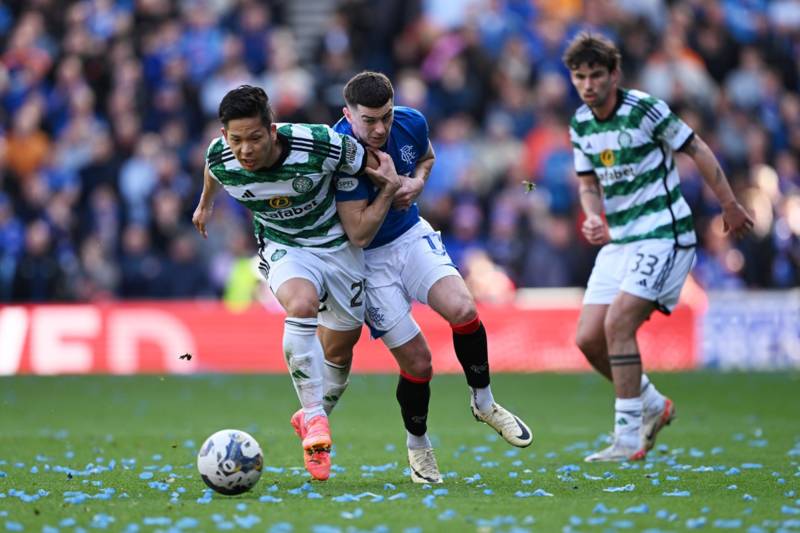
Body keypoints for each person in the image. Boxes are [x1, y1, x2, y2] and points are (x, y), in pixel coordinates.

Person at [295, 71, 532, 484]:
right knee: (419, 363)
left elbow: (426, 156)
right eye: (369, 120)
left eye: (385, 116)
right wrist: (390, 188)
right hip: (362, 262)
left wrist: (417, 183)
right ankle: (418, 445)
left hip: (409, 236)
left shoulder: (411, 121)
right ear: (346, 115)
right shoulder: (339, 154)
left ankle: (484, 402)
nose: (380, 128)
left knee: (463, 307)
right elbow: (359, 233)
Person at [192, 85, 400, 481]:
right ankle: (317, 422)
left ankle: (310, 415)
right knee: (300, 304)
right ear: (224, 138)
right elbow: (212, 167)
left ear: (273, 131)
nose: (245, 150)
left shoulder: (321, 145)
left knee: (339, 354)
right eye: (236, 140)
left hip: (338, 248)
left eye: (254, 138)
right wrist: (206, 202)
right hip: (284, 247)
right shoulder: (220, 155)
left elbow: (372, 161)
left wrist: (397, 186)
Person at [563, 34, 754, 462]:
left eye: (596, 75)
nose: (589, 85)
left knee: (618, 324)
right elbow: (588, 183)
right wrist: (593, 214)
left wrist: (729, 203)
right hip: (620, 240)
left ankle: (628, 438)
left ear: (614, 74)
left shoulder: (645, 110)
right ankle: (650, 404)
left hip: (664, 232)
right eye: (580, 77)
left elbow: (697, 147)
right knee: (588, 338)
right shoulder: (580, 124)